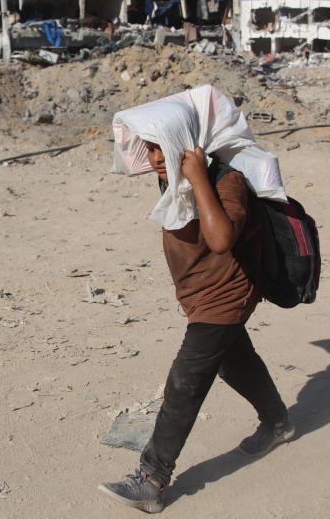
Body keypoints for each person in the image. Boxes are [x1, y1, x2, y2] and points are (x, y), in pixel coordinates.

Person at [98, 139, 292, 514]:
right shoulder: (175, 176)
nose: (155, 158)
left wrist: (200, 176)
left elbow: (220, 239)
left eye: (161, 148)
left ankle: (152, 479)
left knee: (186, 379)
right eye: (149, 150)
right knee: (235, 361)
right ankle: (278, 422)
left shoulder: (225, 180)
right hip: (200, 294)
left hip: (226, 294)